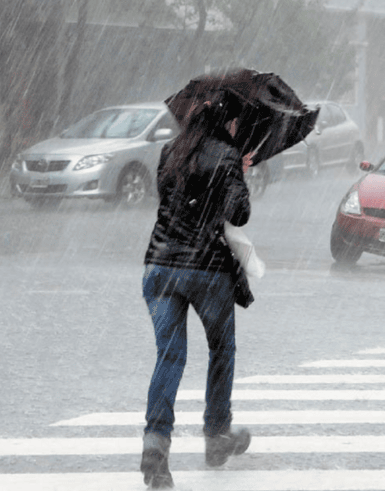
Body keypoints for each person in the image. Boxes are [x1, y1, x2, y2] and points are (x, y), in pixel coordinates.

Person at [140, 92, 253, 488]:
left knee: (169, 357)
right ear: (226, 122)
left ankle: (155, 446)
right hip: (205, 270)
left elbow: (170, 202)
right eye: (237, 122)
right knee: (222, 349)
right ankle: (217, 436)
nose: (239, 128)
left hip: (159, 267)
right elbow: (238, 213)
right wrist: (238, 171)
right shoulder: (227, 154)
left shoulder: (170, 150)